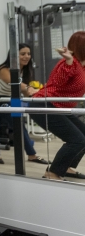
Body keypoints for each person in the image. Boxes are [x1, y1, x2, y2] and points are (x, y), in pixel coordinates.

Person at [30, 31, 85, 180]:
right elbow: (58, 82)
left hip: (60, 107)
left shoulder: (82, 65)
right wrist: (67, 61)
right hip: (45, 104)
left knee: (83, 135)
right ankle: (52, 173)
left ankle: (66, 167)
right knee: (76, 139)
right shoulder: (69, 62)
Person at [0, 44, 48, 165]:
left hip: (6, 99)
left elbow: (25, 91)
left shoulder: (23, 71)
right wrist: (29, 88)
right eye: (23, 54)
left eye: (28, 54)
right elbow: (14, 82)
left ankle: (32, 155)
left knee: (19, 125)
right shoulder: (2, 69)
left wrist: (36, 95)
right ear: (14, 56)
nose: (26, 57)